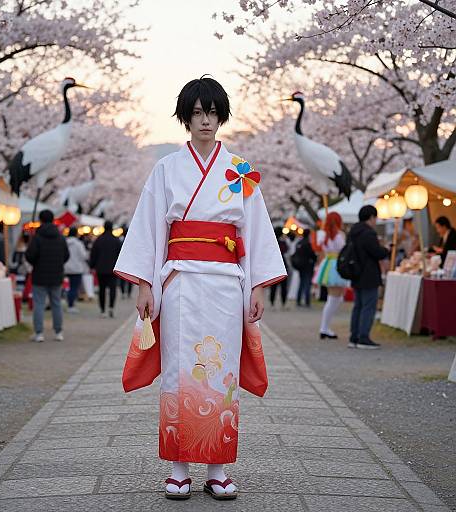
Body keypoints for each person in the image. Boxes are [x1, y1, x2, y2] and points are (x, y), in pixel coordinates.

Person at [114, 76, 287, 501]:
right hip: (178, 283)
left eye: (211, 112)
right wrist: (144, 283)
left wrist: (258, 287)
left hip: (228, 284)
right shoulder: (166, 168)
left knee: (221, 369)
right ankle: (177, 467)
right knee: (177, 369)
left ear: (221, 116)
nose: (205, 121)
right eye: (196, 113)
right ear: (185, 118)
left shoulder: (239, 171)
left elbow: (257, 230)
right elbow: (151, 228)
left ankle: (217, 467)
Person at [348, 205, 389, 349]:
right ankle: (363, 337)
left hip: (356, 273)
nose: (376, 220)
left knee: (358, 306)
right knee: (368, 307)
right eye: (375, 217)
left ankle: (354, 337)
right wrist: (386, 249)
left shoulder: (353, 231)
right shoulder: (368, 233)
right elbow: (377, 252)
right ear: (371, 217)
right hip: (368, 274)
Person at [25, 210, 69, 342]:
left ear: (41, 220)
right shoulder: (60, 237)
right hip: (56, 275)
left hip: (40, 275)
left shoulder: (37, 237)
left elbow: (30, 255)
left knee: (39, 304)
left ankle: (39, 333)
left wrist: (36, 263)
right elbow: (66, 255)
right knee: (56, 304)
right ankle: (58, 332)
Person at [316, 212, 348, 340]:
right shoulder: (339, 235)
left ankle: (325, 328)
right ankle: (324, 328)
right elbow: (342, 250)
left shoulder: (323, 235)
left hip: (328, 263)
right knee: (334, 298)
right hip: (336, 265)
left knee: (334, 298)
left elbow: (321, 250)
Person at [89, 220, 123, 318]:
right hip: (113, 269)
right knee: (113, 289)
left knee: (102, 289)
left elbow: (93, 254)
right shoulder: (116, 241)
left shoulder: (99, 240)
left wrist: (92, 266)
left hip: (100, 268)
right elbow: (120, 255)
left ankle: (102, 310)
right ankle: (111, 307)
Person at [64, 226, 89, 313]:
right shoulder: (78, 244)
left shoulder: (65, 242)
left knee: (67, 287)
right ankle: (71, 305)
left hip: (65, 268)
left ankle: (68, 303)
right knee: (74, 288)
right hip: (76, 268)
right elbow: (84, 256)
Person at [294, 229, 317, 307]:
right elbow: (312, 255)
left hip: (300, 266)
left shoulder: (299, 243)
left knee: (301, 283)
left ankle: (298, 300)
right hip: (307, 266)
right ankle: (307, 301)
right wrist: (315, 258)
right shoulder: (308, 243)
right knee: (307, 283)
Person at [269, 227, 289, 309]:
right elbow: (287, 250)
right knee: (284, 286)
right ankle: (283, 303)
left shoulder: (271, 243)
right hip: (282, 265)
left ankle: (272, 303)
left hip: (273, 265)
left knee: (273, 286)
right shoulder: (283, 243)